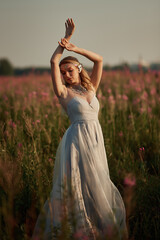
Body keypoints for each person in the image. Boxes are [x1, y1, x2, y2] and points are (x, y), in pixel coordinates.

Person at [32, 18, 128, 240]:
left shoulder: (90, 87)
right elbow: (53, 61)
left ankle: (99, 227)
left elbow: (100, 60)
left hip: (95, 140)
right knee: (76, 184)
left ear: (78, 68)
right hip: (76, 142)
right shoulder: (64, 94)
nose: (66, 75)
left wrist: (76, 49)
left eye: (69, 70)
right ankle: (77, 228)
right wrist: (66, 39)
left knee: (97, 182)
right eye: (63, 72)